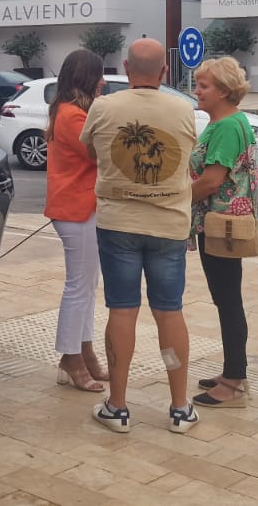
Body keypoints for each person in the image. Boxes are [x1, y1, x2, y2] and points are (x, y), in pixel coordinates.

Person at [81, 38, 199, 434]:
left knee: (122, 310)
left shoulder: (104, 107)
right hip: (169, 226)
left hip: (118, 224)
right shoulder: (184, 108)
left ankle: (117, 406)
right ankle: (180, 407)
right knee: (170, 311)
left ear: (126, 69)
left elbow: (91, 153)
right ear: (164, 73)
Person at [188, 55, 257, 408]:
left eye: (204, 86)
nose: (196, 90)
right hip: (218, 225)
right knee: (226, 298)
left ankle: (233, 380)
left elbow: (212, 181)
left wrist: (171, 198)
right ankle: (233, 370)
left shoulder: (228, 126)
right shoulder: (225, 122)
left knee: (228, 300)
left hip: (221, 227)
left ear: (225, 91)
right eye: (197, 84)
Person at [45, 49, 110, 392]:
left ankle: (83, 351)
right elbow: (101, 153)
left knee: (86, 287)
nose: (103, 81)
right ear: (86, 78)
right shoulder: (73, 116)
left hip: (80, 209)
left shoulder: (70, 112)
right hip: (77, 209)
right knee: (79, 288)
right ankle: (71, 358)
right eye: (99, 75)